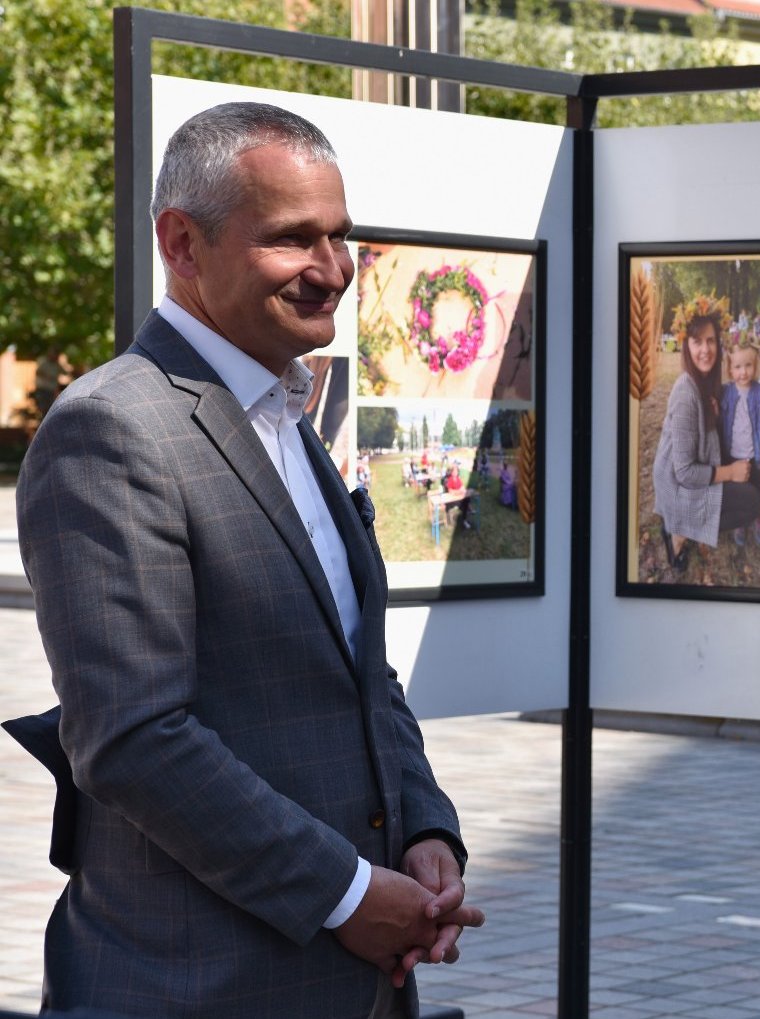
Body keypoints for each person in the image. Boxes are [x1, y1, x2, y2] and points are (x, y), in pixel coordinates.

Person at [9, 102, 482, 1019]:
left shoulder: (285, 418)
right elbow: (135, 738)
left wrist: (427, 830)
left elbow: (358, 673)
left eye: (341, 237)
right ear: (182, 244)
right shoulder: (110, 431)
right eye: (293, 240)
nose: (334, 270)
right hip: (198, 988)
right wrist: (348, 895)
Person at [653, 309, 759, 572]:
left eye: (710, 340)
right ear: (686, 346)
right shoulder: (685, 393)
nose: (705, 349)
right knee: (751, 503)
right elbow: (685, 471)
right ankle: (677, 530)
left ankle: (687, 524)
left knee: (753, 471)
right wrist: (730, 473)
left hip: (697, 464)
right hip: (677, 485)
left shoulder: (707, 381)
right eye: (697, 341)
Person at [719, 344, 760, 547]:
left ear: (755, 366)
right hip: (732, 456)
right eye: (737, 367)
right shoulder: (725, 392)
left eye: (748, 366)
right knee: (738, 490)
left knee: (755, 487)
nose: (743, 372)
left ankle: (755, 516)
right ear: (730, 369)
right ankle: (740, 521)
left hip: (754, 455)